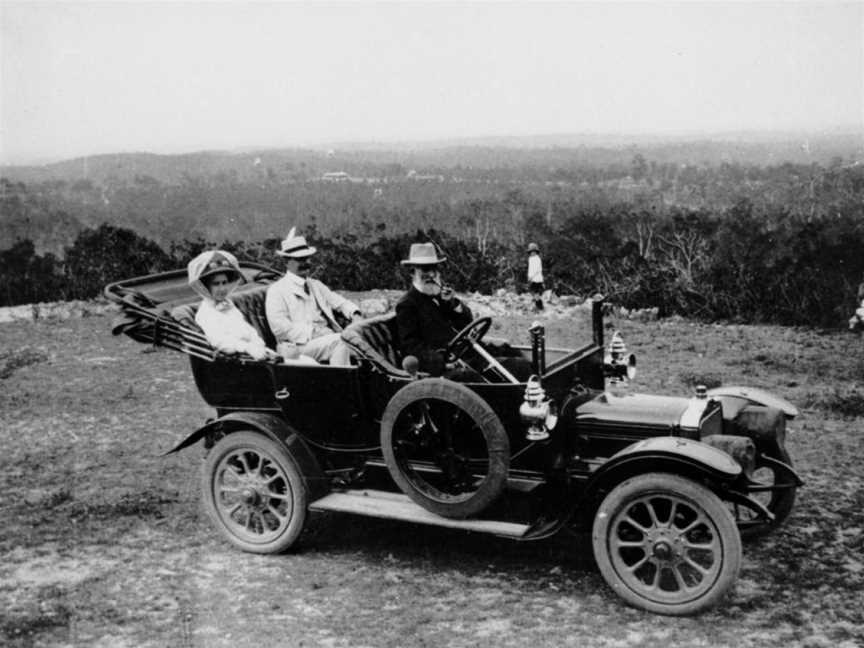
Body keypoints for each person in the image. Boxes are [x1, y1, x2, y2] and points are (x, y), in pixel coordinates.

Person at [265, 227, 362, 365]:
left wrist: (355, 314)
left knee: (361, 339)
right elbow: (280, 329)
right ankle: (341, 385)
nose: (305, 263)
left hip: (324, 339)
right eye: (299, 259)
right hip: (296, 347)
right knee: (340, 341)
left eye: (307, 258)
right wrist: (315, 332)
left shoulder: (315, 285)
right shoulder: (277, 291)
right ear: (286, 262)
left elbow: (339, 302)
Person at [395, 242, 474, 376]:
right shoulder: (407, 305)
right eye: (425, 269)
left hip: (466, 356)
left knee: (516, 364)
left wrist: (453, 303)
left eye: (434, 268)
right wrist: (444, 363)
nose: (431, 274)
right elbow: (411, 347)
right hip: (443, 370)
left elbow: (466, 325)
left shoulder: (441, 297)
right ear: (412, 273)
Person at [188, 250, 280, 361]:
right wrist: (247, 348)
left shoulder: (228, 305)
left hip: (250, 355)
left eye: (224, 283)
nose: (222, 289)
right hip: (232, 360)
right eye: (216, 284)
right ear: (207, 286)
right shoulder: (206, 313)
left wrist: (258, 345)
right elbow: (219, 341)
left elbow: (247, 329)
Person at [527, 242, 544, 312]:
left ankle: (540, 307)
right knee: (533, 292)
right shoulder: (530, 259)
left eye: (533, 252)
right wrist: (529, 276)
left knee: (535, 293)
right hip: (532, 278)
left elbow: (537, 270)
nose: (532, 253)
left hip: (537, 279)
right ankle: (539, 306)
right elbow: (530, 269)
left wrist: (531, 276)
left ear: (536, 252)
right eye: (531, 252)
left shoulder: (537, 259)